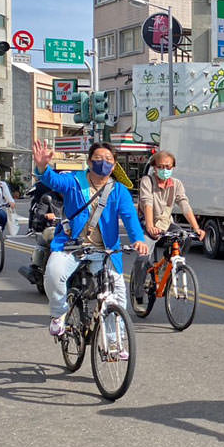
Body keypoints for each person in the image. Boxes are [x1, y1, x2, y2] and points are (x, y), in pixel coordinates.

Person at [32, 140, 148, 337]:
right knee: (53, 273)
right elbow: (53, 181)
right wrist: (43, 166)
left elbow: (130, 217)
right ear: (89, 161)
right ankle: (59, 314)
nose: (103, 162)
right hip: (72, 246)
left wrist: (139, 239)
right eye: (98, 158)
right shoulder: (74, 181)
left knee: (116, 296)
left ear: (114, 164)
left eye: (108, 159)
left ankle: (114, 342)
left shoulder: (119, 191)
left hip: (105, 250)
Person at [131, 150, 205, 297]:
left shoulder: (176, 184)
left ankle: (166, 266)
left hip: (165, 223)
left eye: (168, 167)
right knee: (142, 258)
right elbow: (147, 204)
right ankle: (137, 292)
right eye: (161, 166)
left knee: (186, 237)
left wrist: (196, 228)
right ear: (154, 167)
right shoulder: (148, 181)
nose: (165, 170)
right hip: (147, 222)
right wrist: (150, 226)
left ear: (173, 168)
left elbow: (184, 205)